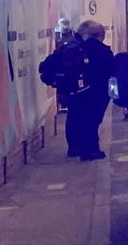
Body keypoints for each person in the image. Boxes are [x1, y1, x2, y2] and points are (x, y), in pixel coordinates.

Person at [42, 20, 115, 161]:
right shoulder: (98, 49)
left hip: (73, 90)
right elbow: (109, 70)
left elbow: (46, 66)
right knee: (91, 121)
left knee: (74, 117)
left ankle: (74, 147)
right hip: (95, 91)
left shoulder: (68, 47)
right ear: (96, 35)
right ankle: (89, 151)